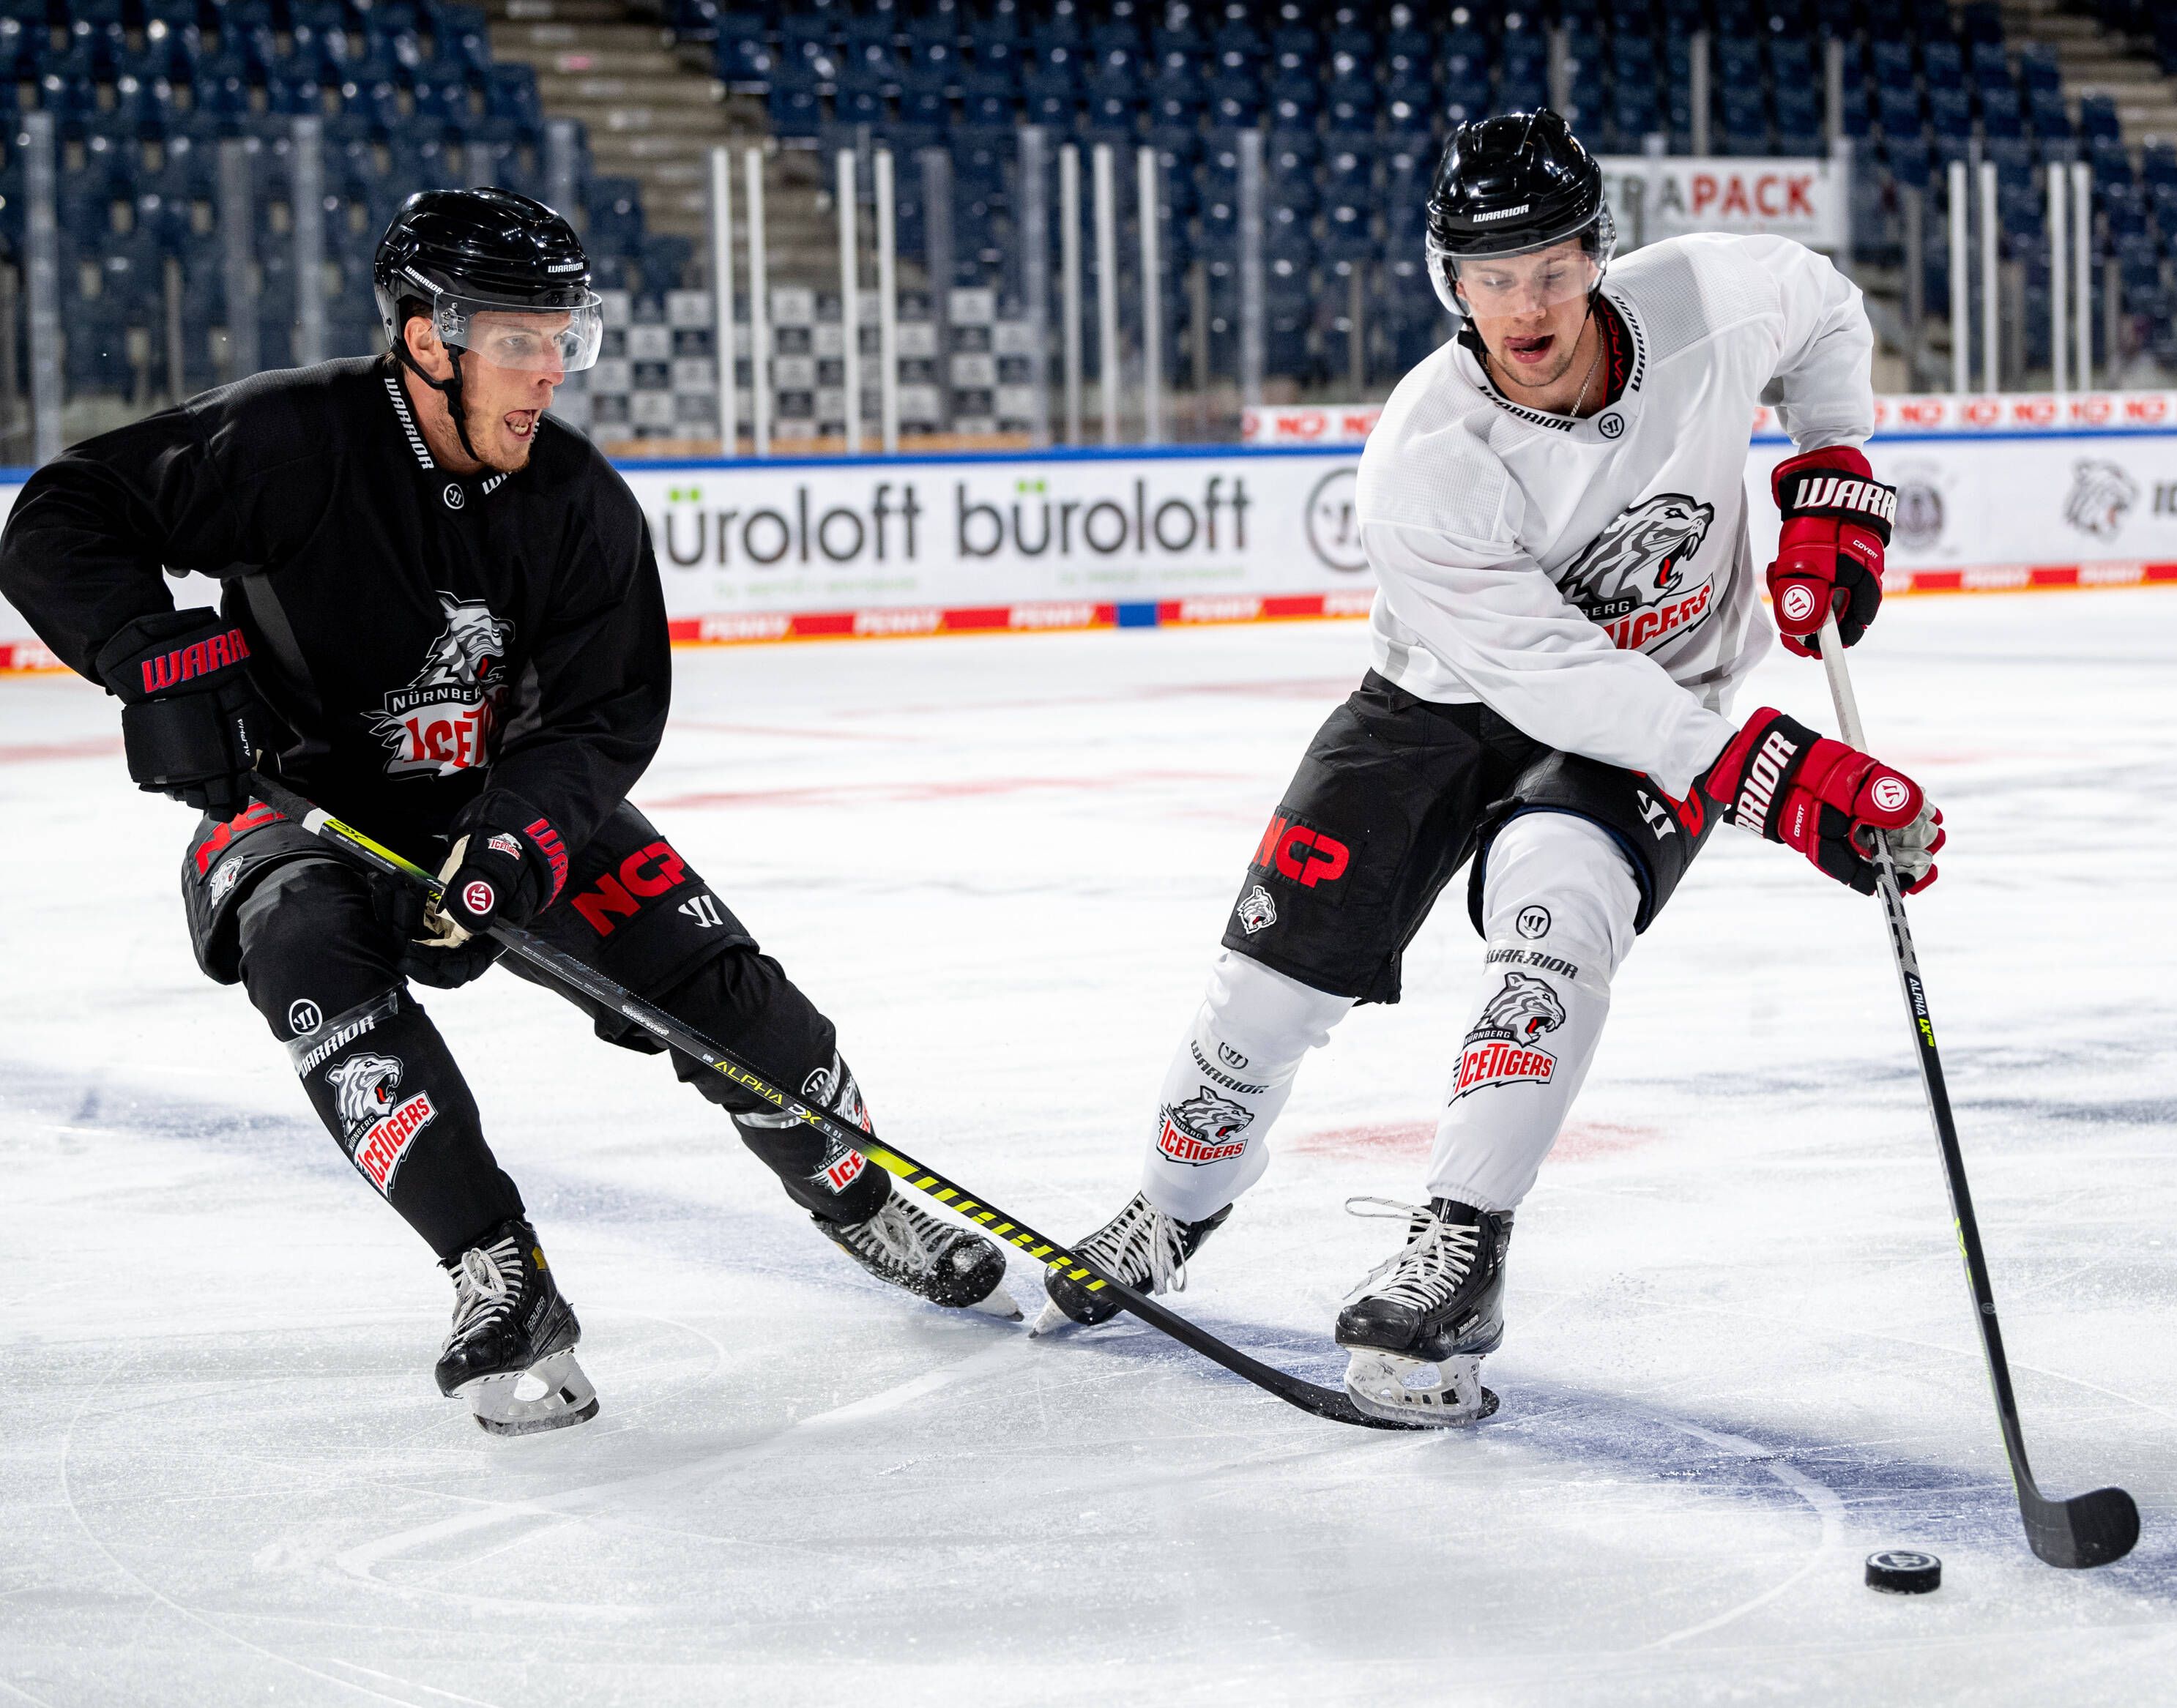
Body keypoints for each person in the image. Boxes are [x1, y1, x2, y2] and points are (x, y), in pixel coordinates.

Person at [0, 188, 1013, 1438]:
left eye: (564, 338)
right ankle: (499, 1273)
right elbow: (63, 514)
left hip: (496, 805)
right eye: (518, 341)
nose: (548, 374)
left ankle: (861, 1193)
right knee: (306, 958)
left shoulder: (581, 503)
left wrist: (517, 846)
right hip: (300, 805)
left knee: (734, 998)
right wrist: (152, 655)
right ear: (427, 337)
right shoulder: (288, 440)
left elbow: (601, 717)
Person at [1034, 111, 1943, 1425]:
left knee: (1556, 915)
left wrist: (1833, 472)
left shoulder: (1711, 299)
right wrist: (1772, 775)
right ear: (1447, 281)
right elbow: (1552, 678)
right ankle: (1172, 1211)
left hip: (1665, 693)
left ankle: (1458, 1246)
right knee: (1259, 999)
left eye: (1555, 269)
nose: (1526, 306)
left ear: (1600, 257)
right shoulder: (1426, 460)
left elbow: (1828, 316)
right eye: (1492, 274)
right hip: (1442, 702)